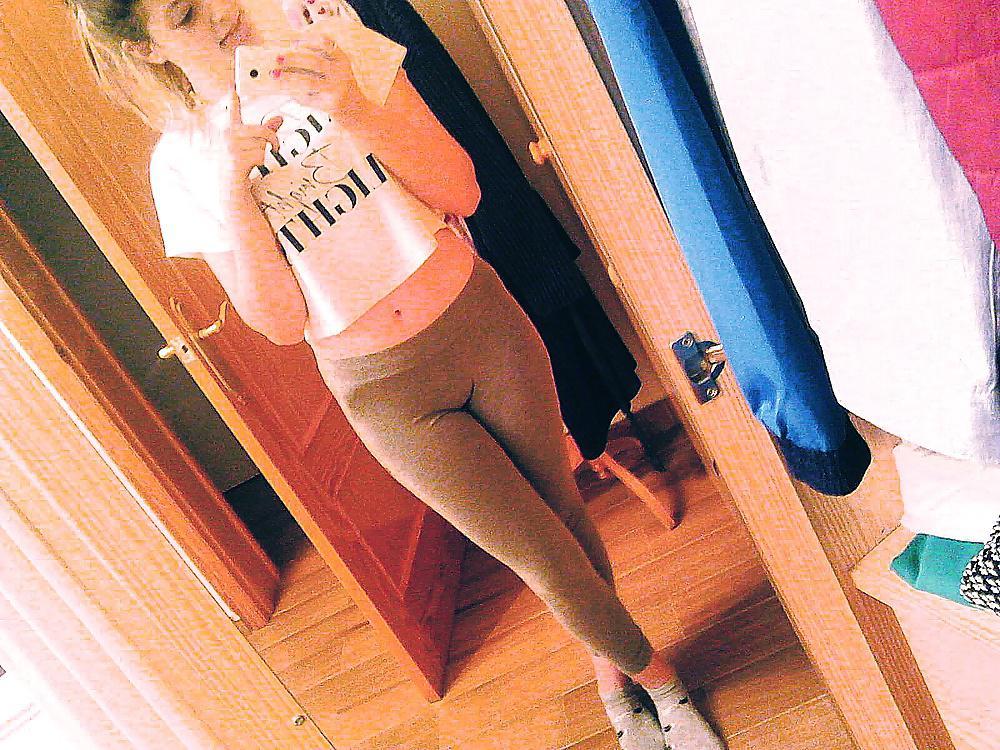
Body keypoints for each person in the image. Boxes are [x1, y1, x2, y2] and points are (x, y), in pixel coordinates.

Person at [64, 0, 727, 747]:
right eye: (184, 13)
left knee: (561, 514)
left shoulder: (331, 39)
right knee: (537, 553)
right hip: (385, 390)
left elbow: (462, 190)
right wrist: (233, 196)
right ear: (146, 48)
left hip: (482, 323)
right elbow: (280, 322)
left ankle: (612, 679)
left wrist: (348, 98)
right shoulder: (181, 164)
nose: (218, 10)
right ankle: (660, 679)